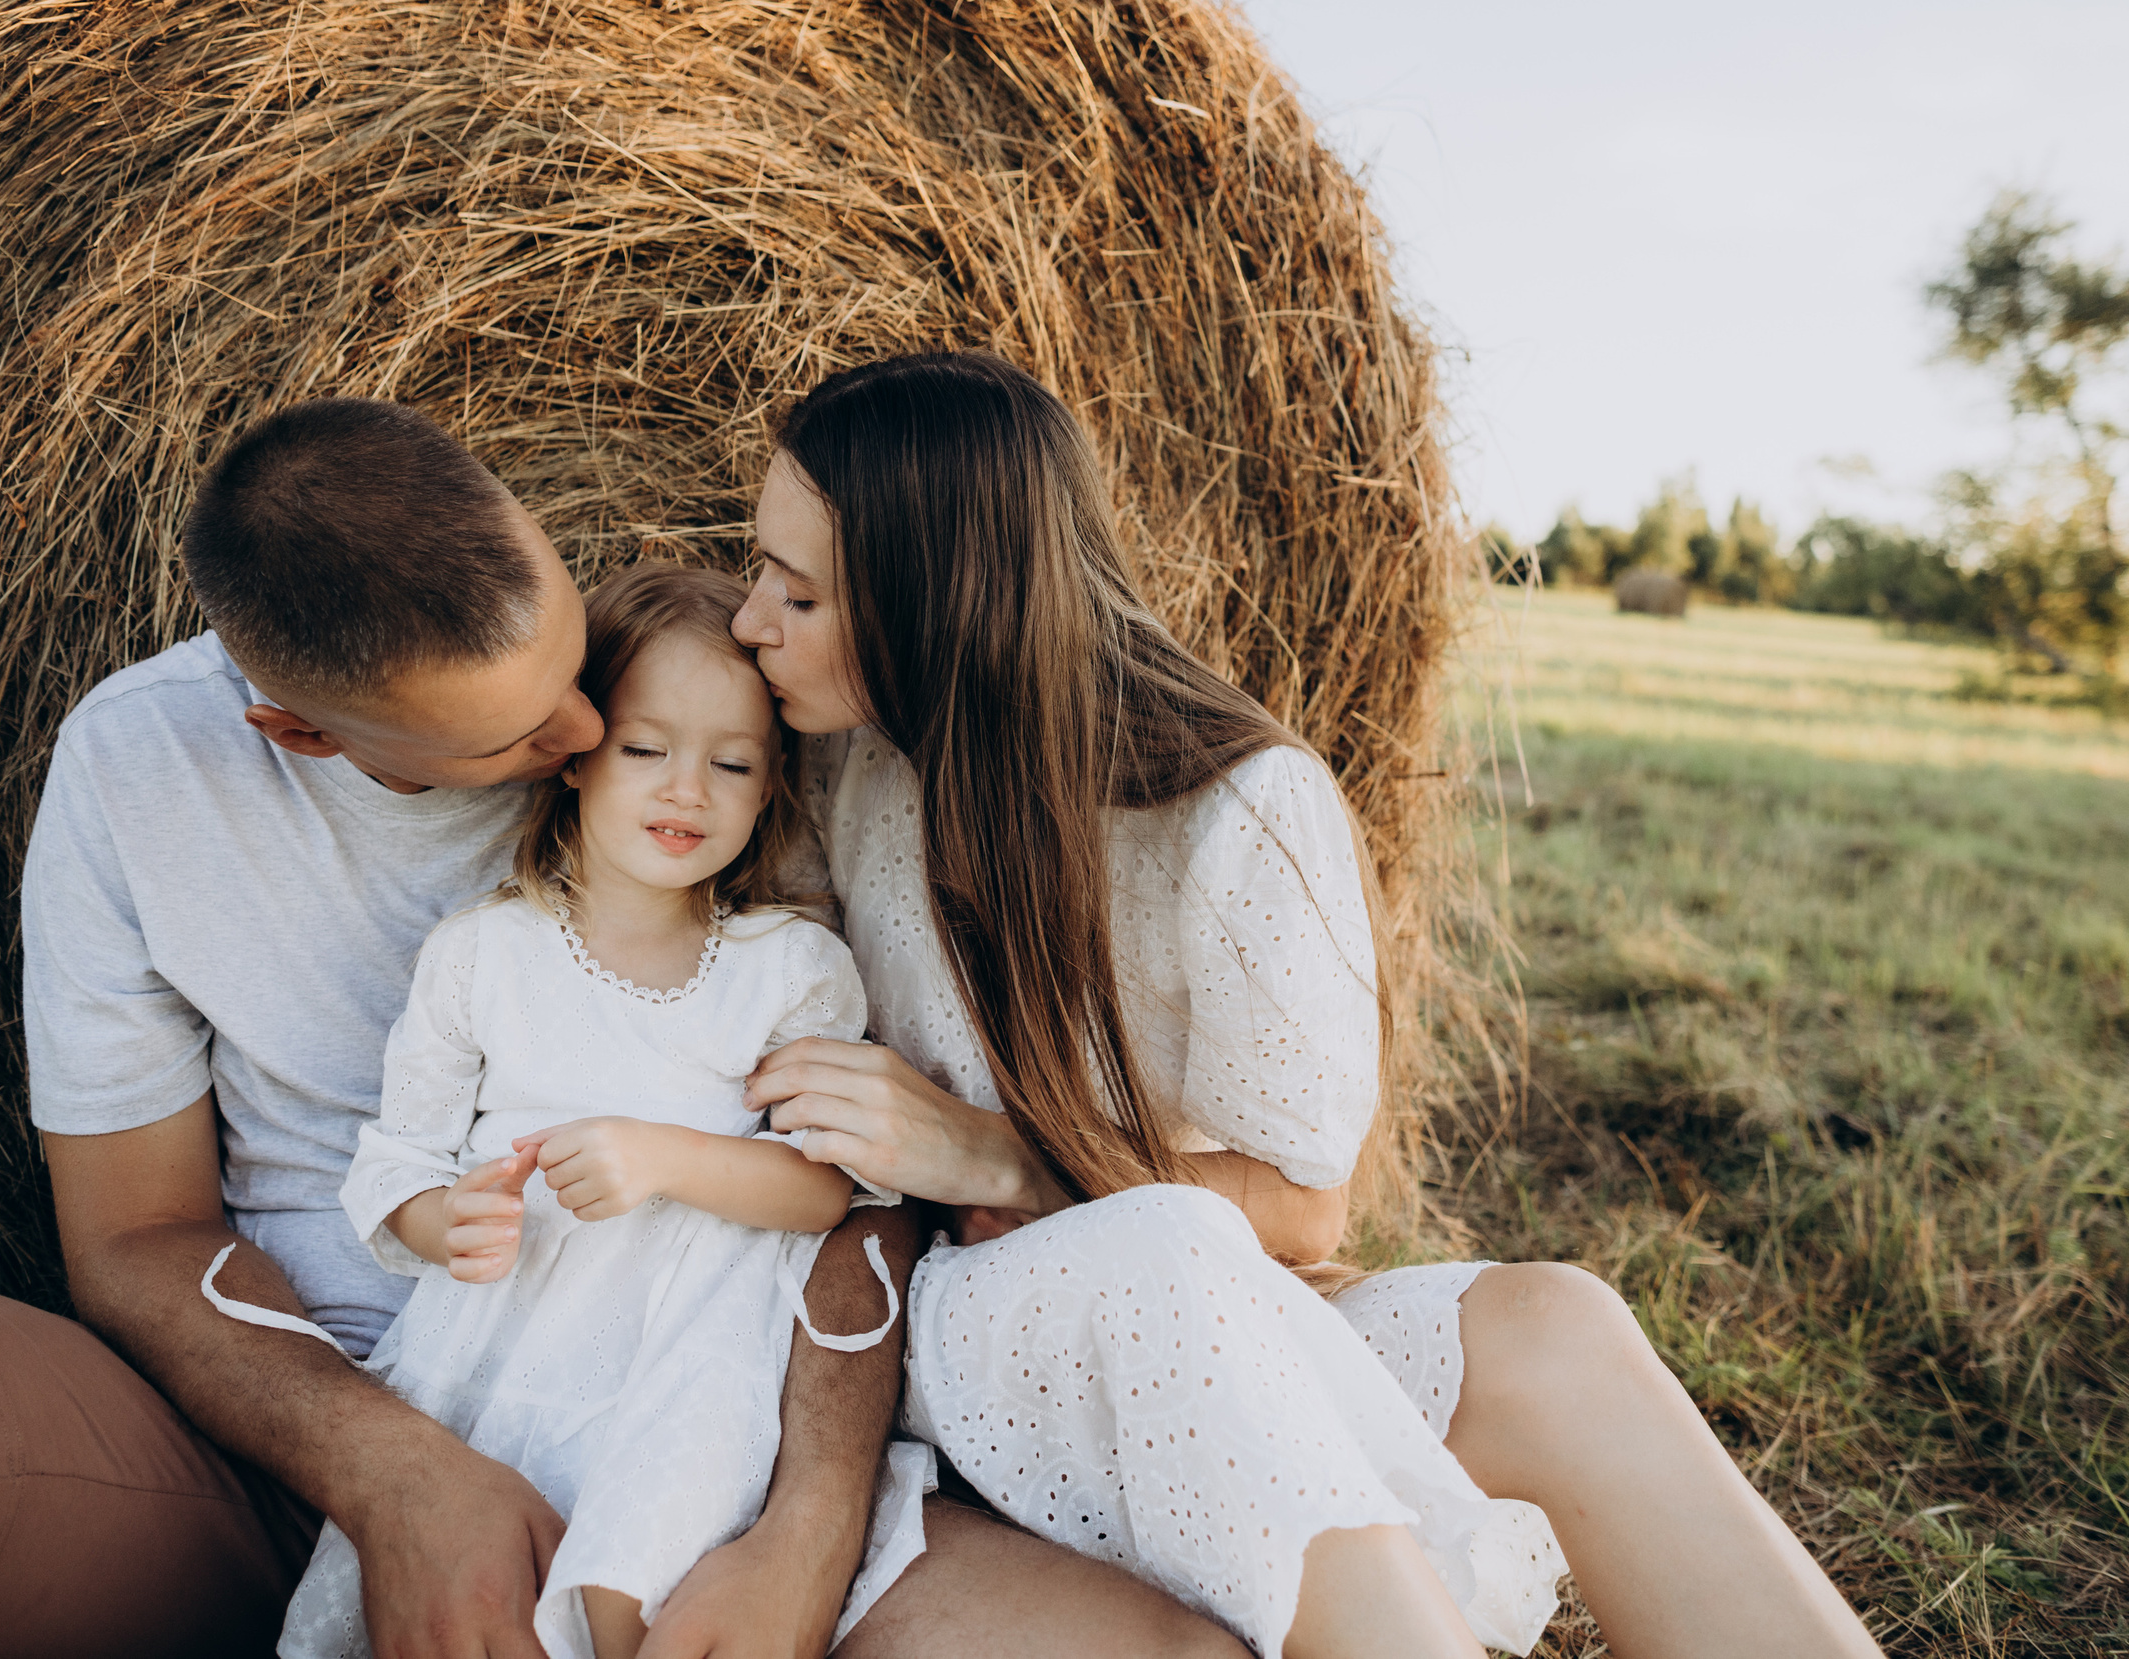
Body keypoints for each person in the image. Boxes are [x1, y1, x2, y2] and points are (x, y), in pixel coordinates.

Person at [0, 398, 1249, 1659]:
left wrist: (809, 1514)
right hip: (283, 1423)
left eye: (574, 667)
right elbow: (136, 1238)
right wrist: (395, 1473)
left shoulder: (706, 726)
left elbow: (856, 1179)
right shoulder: (133, 773)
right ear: (303, 732)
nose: (589, 737)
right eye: (514, 738)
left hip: (700, 1412)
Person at [734, 350, 1887, 1659]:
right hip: (952, 1328)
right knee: (1163, 1249)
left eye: (802, 590)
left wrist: (994, 1148)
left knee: (1554, 1327)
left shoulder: (1238, 811)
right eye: (761, 571)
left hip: (1193, 1301)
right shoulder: (839, 775)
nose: (749, 621)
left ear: (939, 595)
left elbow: (1298, 1208)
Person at [280, 563, 906, 1659]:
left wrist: (661, 1157)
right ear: (577, 758)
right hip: (506, 1342)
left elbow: (822, 1190)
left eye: (732, 763)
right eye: (645, 748)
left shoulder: (789, 971)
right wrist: (442, 1221)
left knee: (626, 1592)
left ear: (769, 791)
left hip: (692, 1352)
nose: (686, 790)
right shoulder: (485, 955)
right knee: (486, 1604)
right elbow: (398, 1159)